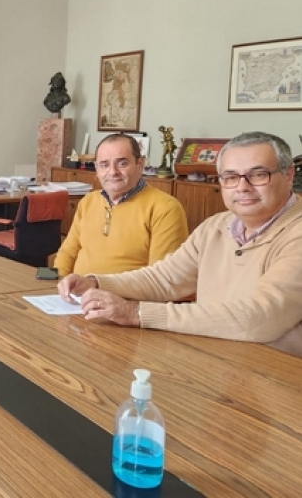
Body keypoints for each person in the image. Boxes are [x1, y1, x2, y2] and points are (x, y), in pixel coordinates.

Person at [58, 132, 302, 356]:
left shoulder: (296, 233)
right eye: (229, 177)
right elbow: (163, 279)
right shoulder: (215, 226)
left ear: (288, 175)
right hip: (210, 361)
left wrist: (137, 313)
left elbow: (260, 318)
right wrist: (96, 282)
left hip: (274, 378)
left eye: (258, 175)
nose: (242, 187)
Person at [54, 133, 188, 277]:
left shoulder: (165, 208)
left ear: (140, 164)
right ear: (96, 169)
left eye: (122, 163)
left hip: (123, 298)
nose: (112, 172)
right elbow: (67, 253)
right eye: (104, 165)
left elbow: (161, 278)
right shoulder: (88, 201)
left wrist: (101, 289)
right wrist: (58, 284)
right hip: (75, 295)